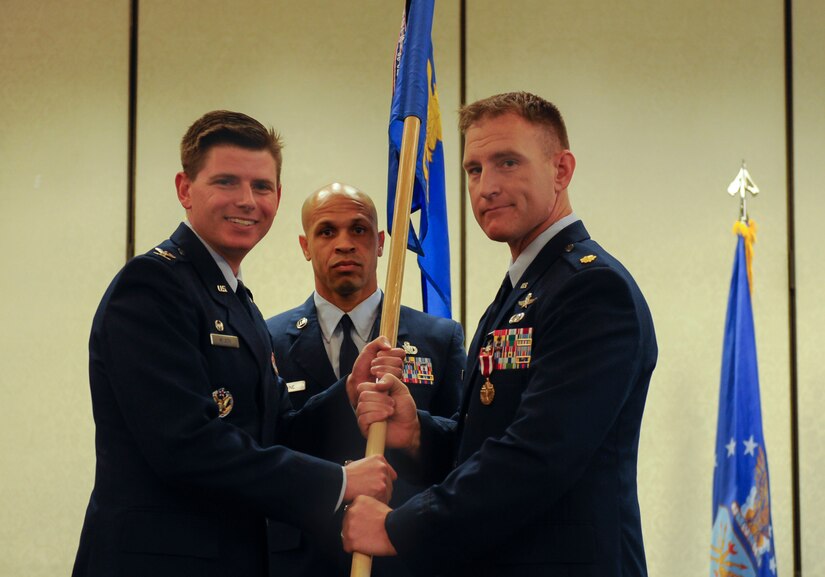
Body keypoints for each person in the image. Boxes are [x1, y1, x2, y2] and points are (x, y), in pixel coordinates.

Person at [71, 110, 404, 577]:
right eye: (226, 182)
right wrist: (339, 481)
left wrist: (345, 395)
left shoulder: (236, 300)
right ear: (185, 189)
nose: (247, 201)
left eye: (262, 187)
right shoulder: (152, 286)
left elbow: (269, 432)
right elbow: (188, 447)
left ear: (278, 197)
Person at [343, 92, 658, 577]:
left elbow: (536, 458)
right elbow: (488, 440)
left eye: (507, 162)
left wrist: (399, 527)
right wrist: (418, 433)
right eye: (474, 169)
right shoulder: (524, 289)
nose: (486, 187)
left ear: (561, 170)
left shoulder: (592, 288)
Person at [265, 182, 466, 576]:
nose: (344, 244)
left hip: (403, 554)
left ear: (378, 242)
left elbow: (459, 451)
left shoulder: (438, 338)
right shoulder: (267, 339)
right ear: (305, 246)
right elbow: (269, 446)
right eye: (327, 231)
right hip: (301, 559)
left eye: (358, 230)